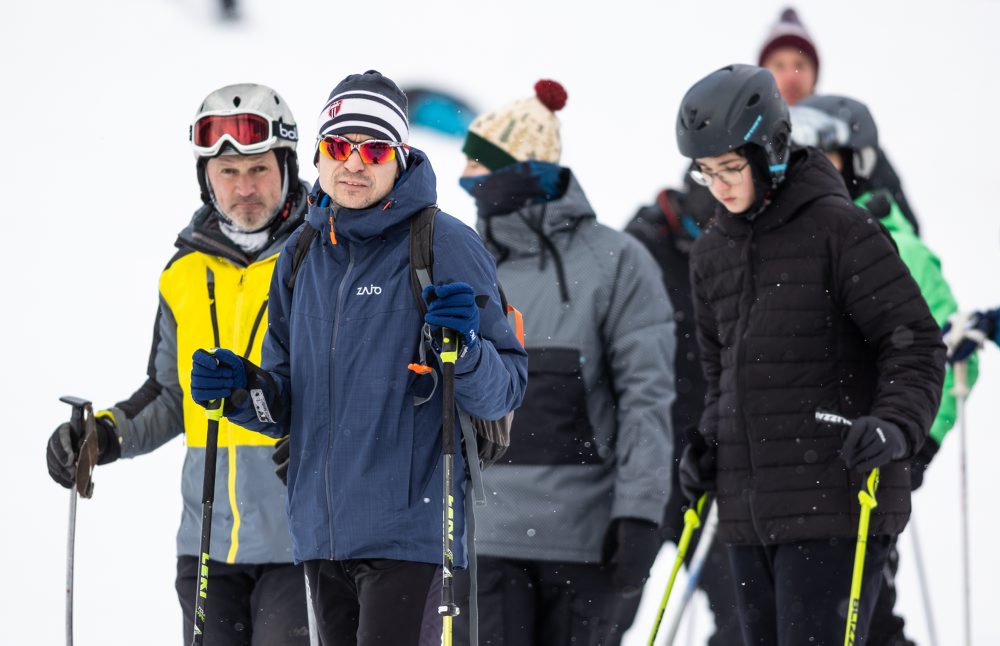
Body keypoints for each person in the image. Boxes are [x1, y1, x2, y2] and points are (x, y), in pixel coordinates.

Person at [186, 70, 528, 646]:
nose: (354, 164)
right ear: (319, 157)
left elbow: (504, 389)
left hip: (413, 539)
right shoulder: (302, 255)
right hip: (321, 538)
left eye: (373, 149)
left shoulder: (443, 243)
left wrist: (465, 350)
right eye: (340, 148)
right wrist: (243, 392)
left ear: (399, 157)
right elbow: (286, 401)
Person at [675, 64, 946, 646]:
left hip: (837, 498)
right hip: (749, 513)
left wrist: (896, 425)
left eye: (729, 168)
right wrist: (710, 445)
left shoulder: (842, 230)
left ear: (769, 150)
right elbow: (723, 378)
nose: (718, 186)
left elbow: (915, 343)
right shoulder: (712, 254)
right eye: (705, 173)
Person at [45, 83, 312, 644]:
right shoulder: (183, 273)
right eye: (227, 172)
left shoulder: (320, 257)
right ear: (205, 177)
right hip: (207, 544)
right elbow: (170, 394)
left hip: (301, 538)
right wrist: (104, 435)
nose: (244, 189)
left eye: (259, 169)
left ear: (286, 165)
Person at [454, 79, 675, 645]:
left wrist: (640, 515)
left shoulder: (618, 262)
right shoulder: (461, 263)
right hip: (484, 541)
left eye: (480, 162)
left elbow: (646, 399)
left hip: (586, 543)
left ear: (520, 167)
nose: (467, 176)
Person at [790, 93, 979, 646]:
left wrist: (915, 443)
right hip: (808, 465)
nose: (816, 171)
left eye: (829, 158)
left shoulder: (896, 243)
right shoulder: (805, 237)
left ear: (860, 162)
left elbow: (941, 348)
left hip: (873, 461)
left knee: (864, 612)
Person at [623, 175, 741, 645]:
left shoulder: (749, 246)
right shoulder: (637, 248)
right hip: (639, 469)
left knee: (746, 617)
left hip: (716, 469)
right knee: (603, 617)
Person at [757, 6, 923, 236]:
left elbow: (906, 228)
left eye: (800, 65)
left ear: (814, 73)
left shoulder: (858, 146)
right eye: (779, 66)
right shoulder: (742, 143)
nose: (790, 76)